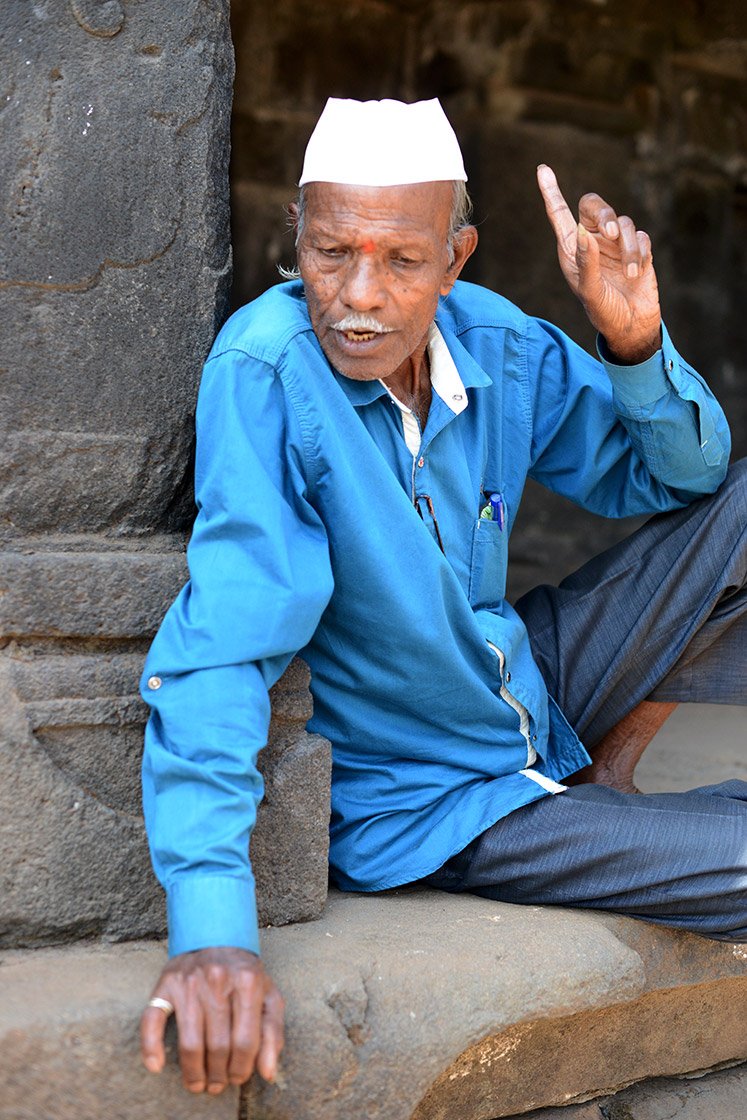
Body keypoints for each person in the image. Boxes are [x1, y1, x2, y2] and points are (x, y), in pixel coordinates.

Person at [138, 98, 746, 1095]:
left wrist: (634, 345)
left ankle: (608, 775)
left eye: (402, 261)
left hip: (526, 682)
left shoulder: (495, 342)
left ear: (456, 258)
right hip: (436, 797)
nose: (359, 296)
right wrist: (213, 930)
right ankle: (626, 827)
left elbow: (678, 480)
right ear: (295, 237)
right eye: (331, 252)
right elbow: (222, 641)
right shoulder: (267, 373)